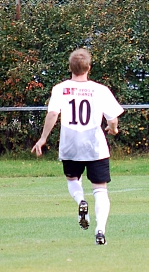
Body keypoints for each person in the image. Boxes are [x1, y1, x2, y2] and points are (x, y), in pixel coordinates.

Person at [31, 48, 124, 245]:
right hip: (95, 145)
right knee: (100, 189)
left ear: (70, 67)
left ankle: (81, 200)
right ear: (89, 68)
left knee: (73, 178)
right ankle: (100, 230)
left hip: (70, 144)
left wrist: (43, 138)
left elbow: (53, 114)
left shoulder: (60, 88)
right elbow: (112, 118)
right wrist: (112, 128)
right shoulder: (100, 89)